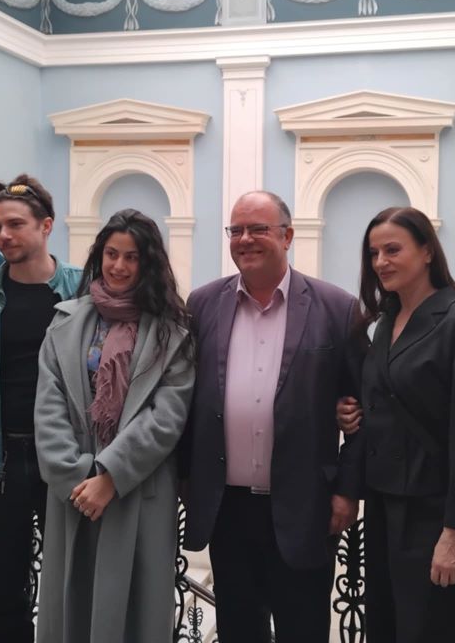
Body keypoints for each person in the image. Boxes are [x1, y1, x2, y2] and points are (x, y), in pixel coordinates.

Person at [179, 190, 366, 643]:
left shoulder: (337, 308)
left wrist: (347, 491)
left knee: (303, 630)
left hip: (305, 506)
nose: (245, 239)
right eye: (236, 230)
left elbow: (365, 408)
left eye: (258, 228)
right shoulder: (202, 305)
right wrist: (185, 479)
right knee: (239, 630)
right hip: (227, 508)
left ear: (287, 235)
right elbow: (183, 398)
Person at [337, 206, 455, 642]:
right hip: (384, 504)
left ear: (427, 251)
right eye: (374, 253)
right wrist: (351, 412)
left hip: (434, 516)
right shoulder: (385, 322)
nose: (381, 262)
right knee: (386, 629)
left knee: (429, 632)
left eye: (393, 250)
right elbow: (388, 397)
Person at [33, 209, 195, 643]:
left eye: (131, 257)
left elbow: (167, 415)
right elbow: (48, 404)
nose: (118, 266)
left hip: (137, 488)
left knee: (134, 613)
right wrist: (77, 475)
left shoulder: (173, 331)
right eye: (111, 254)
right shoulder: (65, 321)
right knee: (71, 606)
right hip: (74, 490)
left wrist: (110, 476)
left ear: (148, 263)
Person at [0, 175, 82, 643]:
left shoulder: (82, 288)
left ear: (46, 226)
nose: (3, 235)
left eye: (15, 224)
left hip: (65, 458)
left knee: (71, 577)